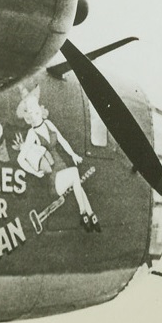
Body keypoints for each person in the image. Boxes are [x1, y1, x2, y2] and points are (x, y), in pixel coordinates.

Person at [13, 87, 98, 231]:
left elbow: (62, 140)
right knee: (75, 175)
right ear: (29, 116)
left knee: (77, 182)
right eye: (31, 110)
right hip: (54, 175)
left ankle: (91, 215)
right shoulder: (31, 134)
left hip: (62, 166)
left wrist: (73, 155)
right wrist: (35, 172)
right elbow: (20, 159)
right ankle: (83, 213)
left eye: (36, 107)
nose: (36, 111)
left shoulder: (48, 124)